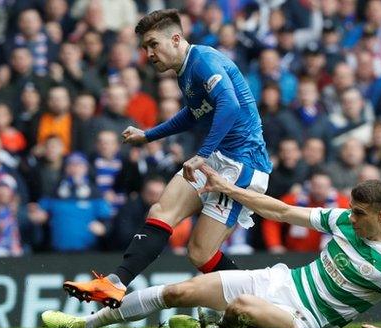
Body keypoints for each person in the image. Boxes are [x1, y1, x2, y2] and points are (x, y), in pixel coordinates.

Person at [43, 165, 381, 328]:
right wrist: (226, 188)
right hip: (281, 281)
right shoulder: (343, 220)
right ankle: (84, 325)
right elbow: (280, 209)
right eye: (351, 211)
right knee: (179, 291)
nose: (351, 218)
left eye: (359, 214)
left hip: (303, 316)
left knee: (240, 306)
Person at [63, 9, 272, 308]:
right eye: (145, 47)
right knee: (161, 210)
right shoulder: (186, 69)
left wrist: (200, 155)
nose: (148, 53)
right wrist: (149, 135)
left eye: (153, 44)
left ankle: (261, 305)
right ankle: (114, 284)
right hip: (219, 157)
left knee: (199, 253)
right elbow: (194, 112)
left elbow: (230, 106)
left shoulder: (204, 62)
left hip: (243, 165)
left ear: (175, 38)